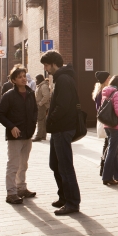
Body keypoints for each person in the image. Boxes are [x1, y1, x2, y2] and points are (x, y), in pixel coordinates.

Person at [42, 50, 81, 216]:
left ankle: (72, 202)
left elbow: (63, 106)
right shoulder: (61, 78)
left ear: (53, 64)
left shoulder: (63, 79)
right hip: (58, 128)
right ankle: (64, 196)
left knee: (65, 166)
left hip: (62, 127)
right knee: (55, 164)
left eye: (46, 65)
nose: (45, 68)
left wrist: (50, 120)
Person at [0, 65, 38, 205]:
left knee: (23, 164)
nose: (23, 79)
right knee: (13, 164)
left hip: (27, 134)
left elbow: (34, 112)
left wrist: (33, 125)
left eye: (24, 76)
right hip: (15, 136)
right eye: (19, 77)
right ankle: (11, 193)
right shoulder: (8, 96)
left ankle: (21, 188)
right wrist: (11, 126)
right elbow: (0, 115)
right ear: (13, 80)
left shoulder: (31, 93)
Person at [93, 71, 111, 176]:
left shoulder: (98, 91)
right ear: (104, 80)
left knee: (107, 144)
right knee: (109, 145)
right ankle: (105, 169)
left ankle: (103, 168)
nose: (110, 79)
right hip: (106, 120)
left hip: (102, 119)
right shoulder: (103, 91)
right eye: (108, 78)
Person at [32, 74, 51, 142]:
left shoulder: (43, 86)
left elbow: (46, 96)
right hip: (41, 105)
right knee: (42, 121)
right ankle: (42, 136)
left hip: (42, 106)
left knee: (40, 120)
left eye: (36, 80)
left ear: (40, 79)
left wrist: (40, 104)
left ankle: (38, 136)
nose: (35, 81)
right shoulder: (41, 86)